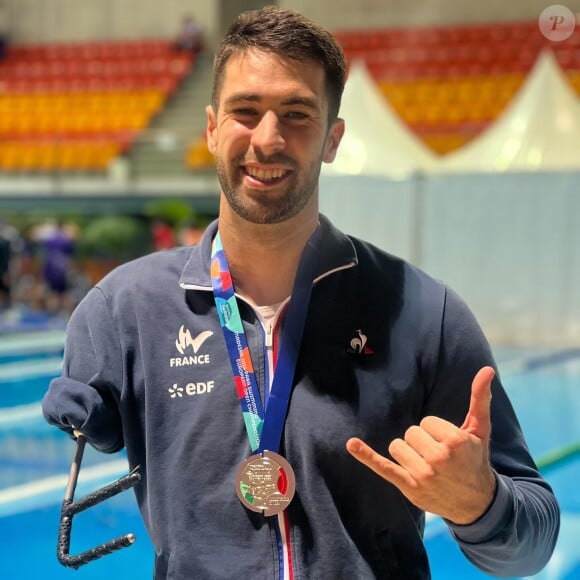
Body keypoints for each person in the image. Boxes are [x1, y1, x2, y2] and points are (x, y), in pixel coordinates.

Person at [42, 7, 560, 579]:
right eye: (245, 111)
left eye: (297, 113)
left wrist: (481, 504)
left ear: (332, 138)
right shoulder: (124, 310)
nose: (268, 138)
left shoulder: (423, 312)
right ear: (212, 128)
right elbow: (92, 424)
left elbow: (532, 545)